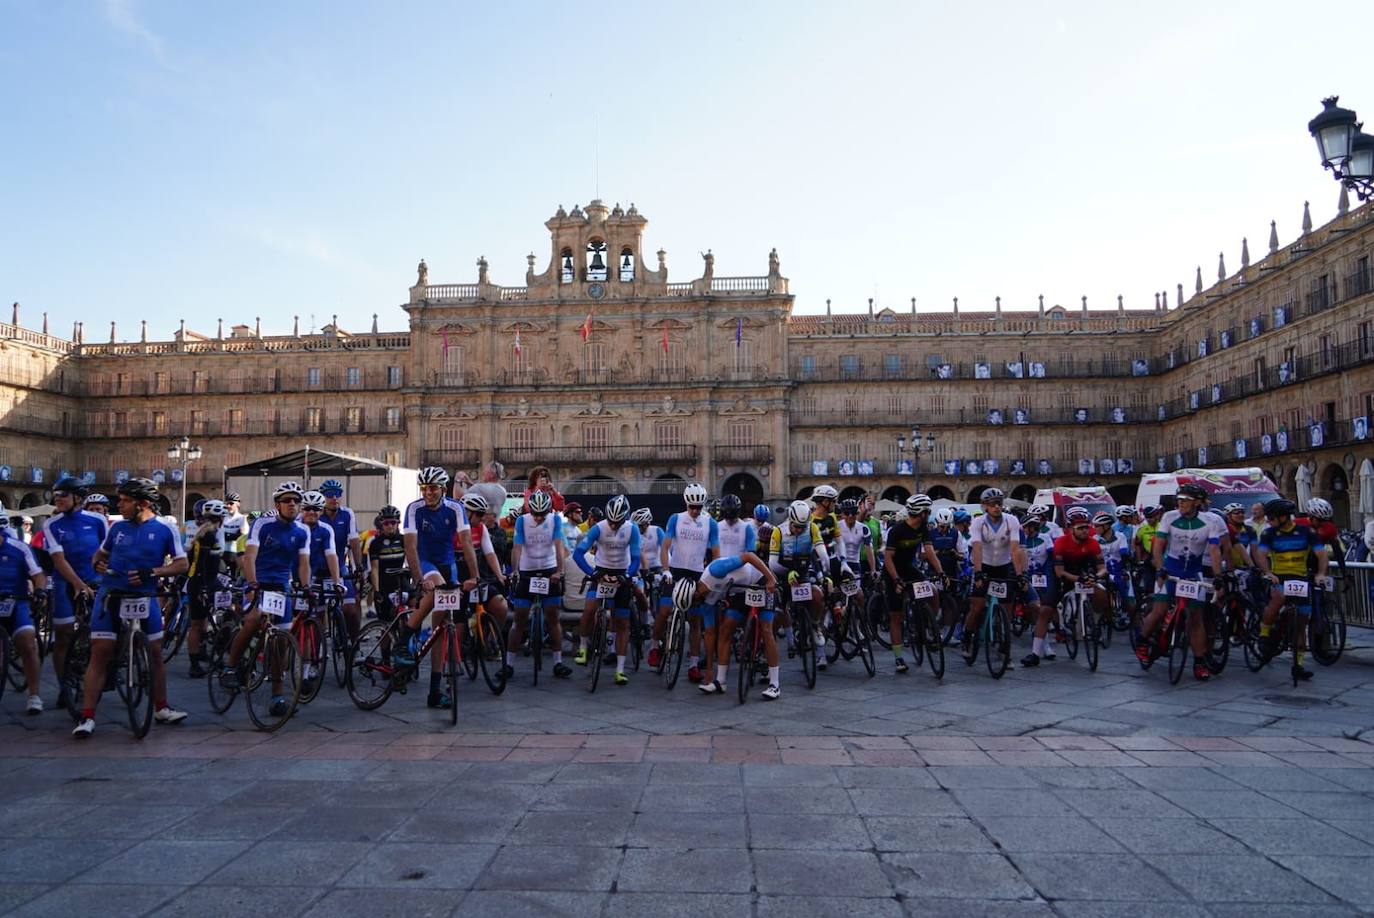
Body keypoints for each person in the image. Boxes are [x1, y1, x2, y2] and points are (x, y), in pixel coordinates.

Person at [73, 478, 189, 737]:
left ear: (144, 503)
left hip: (144, 596)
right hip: (112, 594)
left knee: (156, 653)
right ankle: (87, 717)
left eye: (125, 501)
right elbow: (98, 556)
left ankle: (161, 708)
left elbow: (181, 564)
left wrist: (155, 572)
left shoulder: (165, 529)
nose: (120, 505)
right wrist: (99, 565)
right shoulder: (117, 529)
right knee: (100, 651)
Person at [219, 481, 312, 718]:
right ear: (277, 504)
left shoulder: (303, 531)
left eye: (296, 501)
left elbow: (303, 563)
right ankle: (231, 666)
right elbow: (249, 557)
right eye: (287, 500)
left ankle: (277, 696)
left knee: (281, 642)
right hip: (259, 580)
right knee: (254, 619)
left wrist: (305, 586)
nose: (292, 504)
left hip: (281, 585)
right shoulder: (263, 524)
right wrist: (251, 584)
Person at [396, 467, 482, 709]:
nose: (428, 492)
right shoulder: (414, 509)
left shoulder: (455, 508)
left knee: (440, 630)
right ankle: (404, 638)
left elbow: (466, 543)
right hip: (425, 562)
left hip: (448, 565)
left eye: (432, 488)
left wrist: (474, 576)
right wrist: (419, 578)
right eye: (424, 488)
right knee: (437, 589)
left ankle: (434, 691)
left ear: (443, 489)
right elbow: (410, 547)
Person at [1134, 483, 1225, 681]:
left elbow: (1215, 550)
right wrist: (1160, 568)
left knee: (1195, 618)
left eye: (1185, 500)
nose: (1180, 503)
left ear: (1197, 503)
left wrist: (1218, 576)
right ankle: (1141, 641)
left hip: (1194, 572)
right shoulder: (1169, 517)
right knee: (1160, 609)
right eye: (1179, 500)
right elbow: (1158, 546)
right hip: (1171, 568)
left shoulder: (1210, 521)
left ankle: (1199, 662)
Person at [42, 476, 108, 709]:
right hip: (65, 582)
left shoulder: (98, 520)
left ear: (77, 498)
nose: (57, 499)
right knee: (64, 635)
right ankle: (64, 686)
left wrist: (106, 567)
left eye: (63, 495)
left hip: (95, 580)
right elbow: (58, 559)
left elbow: (106, 551)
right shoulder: (51, 524)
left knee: (102, 632)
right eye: (56, 495)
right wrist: (78, 584)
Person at [649, 483, 718, 681]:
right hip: (675, 571)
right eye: (692, 507)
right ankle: (654, 647)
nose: (695, 511)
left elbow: (716, 552)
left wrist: (712, 576)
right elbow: (665, 547)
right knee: (663, 611)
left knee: (695, 621)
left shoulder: (710, 523)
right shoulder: (676, 518)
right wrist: (665, 570)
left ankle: (694, 665)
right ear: (686, 503)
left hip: (697, 574)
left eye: (699, 507)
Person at [1255, 498, 1328, 681]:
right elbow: (1261, 554)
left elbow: (1322, 554)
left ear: (1283, 517)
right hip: (1279, 576)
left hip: (1300, 578)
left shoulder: (1306, 532)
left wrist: (1320, 574)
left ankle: (1299, 664)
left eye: (1272, 517)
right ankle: (1264, 633)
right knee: (1278, 597)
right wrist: (1267, 572)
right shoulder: (1269, 533)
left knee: (1302, 622)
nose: (1269, 521)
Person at [573, 494, 641, 685]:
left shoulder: (632, 529)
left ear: (625, 518)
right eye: (611, 521)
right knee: (589, 609)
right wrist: (592, 572)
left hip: (621, 572)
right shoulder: (598, 528)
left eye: (617, 522)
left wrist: (627, 575)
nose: (613, 525)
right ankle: (583, 647)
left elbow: (635, 558)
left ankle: (620, 669)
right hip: (601, 571)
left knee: (622, 623)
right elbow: (578, 554)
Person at [506, 490, 571, 680]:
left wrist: (560, 571)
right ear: (530, 510)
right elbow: (517, 547)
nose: (539, 518)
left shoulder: (555, 520)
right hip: (527, 570)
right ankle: (509, 664)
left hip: (550, 570)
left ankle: (558, 662)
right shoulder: (522, 521)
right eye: (536, 514)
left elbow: (559, 545)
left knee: (553, 617)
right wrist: (515, 571)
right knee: (519, 618)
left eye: (543, 514)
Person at [960, 489, 1028, 660]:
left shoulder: (1011, 520)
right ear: (984, 506)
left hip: (1004, 566)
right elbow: (976, 548)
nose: (997, 507)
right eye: (992, 504)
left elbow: (1015, 549)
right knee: (977, 607)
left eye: (999, 503)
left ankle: (1006, 649)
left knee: (1007, 608)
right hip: (984, 565)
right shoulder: (978, 522)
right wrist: (978, 572)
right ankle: (967, 638)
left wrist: (1020, 574)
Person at [0, 507, 48, 714]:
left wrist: (39, 592)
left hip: (16, 602)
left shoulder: (19, 548)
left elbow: (38, 575)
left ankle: (34, 695)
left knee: (28, 643)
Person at [184, 499, 226, 679]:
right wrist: (202, 588)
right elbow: (201, 563)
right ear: (221, 519)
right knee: (197, 624)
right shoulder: (208, 535)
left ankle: (201, 653)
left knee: (200, 624)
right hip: (202, 583)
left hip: (203, 582)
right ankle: (195, 664)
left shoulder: (205, 532)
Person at [317, 479, 363, 641]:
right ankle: (318, 652)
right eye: (329, 494)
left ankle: (355, 645)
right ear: (322, 497)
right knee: (318, 614)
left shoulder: (347, 513)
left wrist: (358, 566)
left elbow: (354, 541)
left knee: (350, 609)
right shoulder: (316, 515)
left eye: (338, 494)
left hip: (340, 567)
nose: (334, 498)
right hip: (318, 570)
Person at [367, 505, 407, 623]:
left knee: (416, 605)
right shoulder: (375, 543)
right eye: (386, 523)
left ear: (398, 523)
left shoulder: (403, 540)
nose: (390, 526)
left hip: (401, 580)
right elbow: (374, 569)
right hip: (384, 582)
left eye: (393, 522)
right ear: (381, 524)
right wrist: (376, 591)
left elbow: (411, 561)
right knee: (386, 623)